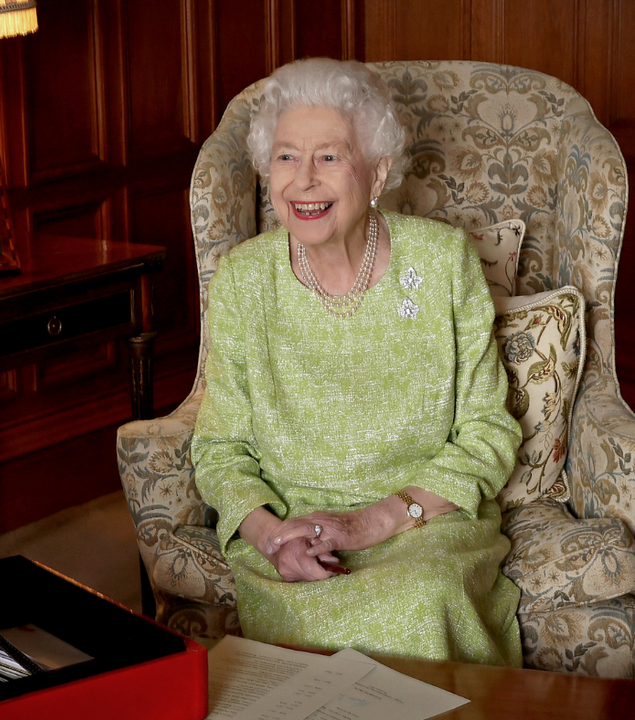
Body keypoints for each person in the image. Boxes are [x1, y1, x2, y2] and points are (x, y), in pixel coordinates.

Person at [190, 58, 524, 667]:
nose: (304, 181)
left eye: (330, 156)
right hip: (292, 537)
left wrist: (372, 524)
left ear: (377, 173)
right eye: (287, 157)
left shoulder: (443, 262)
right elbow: (219, 450)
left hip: (423, 525)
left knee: (422, 601)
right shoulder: (242, 280)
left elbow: (487, 433)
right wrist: (272, 539)